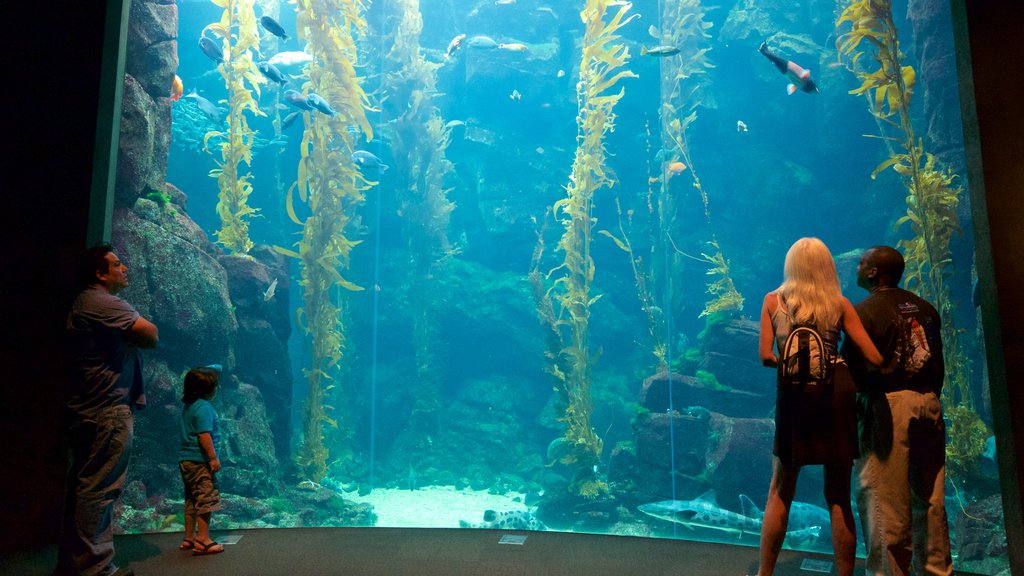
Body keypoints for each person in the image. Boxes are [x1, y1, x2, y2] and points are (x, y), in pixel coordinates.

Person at [756, 237, 884, 576]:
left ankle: (764, 573)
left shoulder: (773, 302)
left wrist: (794, 364)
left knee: (781, 490)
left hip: (794, 398)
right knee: (838, 493)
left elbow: (766, 357)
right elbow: (873, 357)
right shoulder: (839, 303)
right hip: (836, 397)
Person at [841, 246, 952, 576]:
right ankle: (936, 571)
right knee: (930, 500)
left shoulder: (863, 313)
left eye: (861, 263)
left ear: (874, 272)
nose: (857, 267)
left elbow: (853, 370)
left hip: (889, 406)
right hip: (930, 402)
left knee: (884, 503)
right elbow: (937, 361)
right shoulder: (925, 309)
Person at [57, 244, 159, 576]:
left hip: (91, 410)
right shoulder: (102, 303)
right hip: (105, 412)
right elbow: (149, 333)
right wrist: (132, 338)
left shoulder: (87, 303)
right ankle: (94, 568)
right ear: (100, 273)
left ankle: (76, 564)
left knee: (87, 487)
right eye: (117, 264)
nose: (125, 267)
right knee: (98, 490)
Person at [178, 366, 225, 556]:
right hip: (200, 461)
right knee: (206, 498)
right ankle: (203, 540)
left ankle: (189, 538)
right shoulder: (204, 408)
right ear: (208, 390)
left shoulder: (190, 406)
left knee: (191, 499)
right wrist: (213, 458)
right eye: (215, 386)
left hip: (186, 461)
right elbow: (204, 435)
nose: (217, 389)